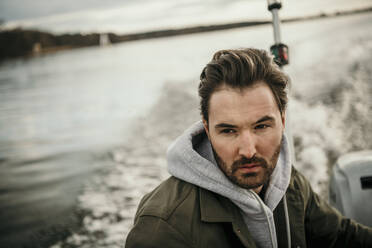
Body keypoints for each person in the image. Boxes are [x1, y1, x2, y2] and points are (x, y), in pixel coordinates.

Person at [125, 48, 372, 248]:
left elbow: (341, 237)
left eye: (261, 126)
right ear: (206, 128)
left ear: (283, 121)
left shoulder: (287, 181)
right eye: (228, 131)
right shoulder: (163, 228)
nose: (248, 151)